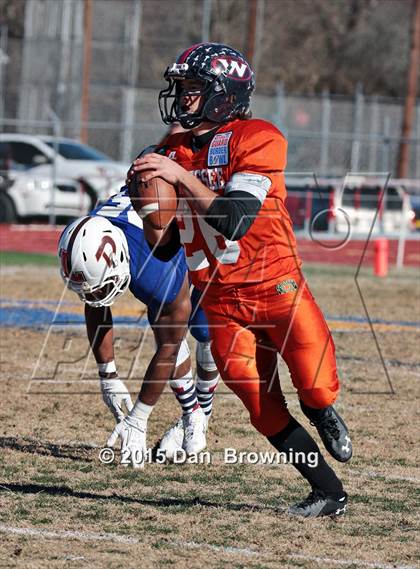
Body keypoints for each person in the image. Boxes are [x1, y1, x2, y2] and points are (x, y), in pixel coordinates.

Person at [129, 42, 352, 516]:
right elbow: (166, 246)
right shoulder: (170, 151)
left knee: (316, 387)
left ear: (224, 94)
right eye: (181, 88)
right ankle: (328, 493)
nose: (183, 98)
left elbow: (233, 218)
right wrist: (150, 211)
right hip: (218, 297)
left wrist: (180, 176)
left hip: (275, 286)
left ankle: (320, 411)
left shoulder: (260, 136)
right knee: (259, 406)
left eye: (193, 88)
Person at [58, 186, 220, 467]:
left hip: (212, 236)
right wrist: (107, 376)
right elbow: (95, 301)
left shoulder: (154, 273)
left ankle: (200, 411)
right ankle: (191, 411)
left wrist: (138, 418)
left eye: (99, 288)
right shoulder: (95, 232)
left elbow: (169, 345)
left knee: (202, 329)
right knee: (164, 322)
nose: (94, 297)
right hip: (165, 228)